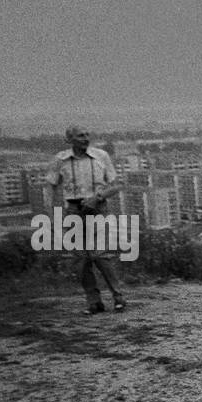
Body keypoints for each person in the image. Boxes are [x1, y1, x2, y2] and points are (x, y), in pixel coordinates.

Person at [44, 125, 125, 314]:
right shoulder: (60, 160)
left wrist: (97, 198)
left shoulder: (101, 156)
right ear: (69, 139)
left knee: (101, 255)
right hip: (73, 210)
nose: (85, 139)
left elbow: (116, 185)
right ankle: (94, 302)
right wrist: (51, 215)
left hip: (98, 208)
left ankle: (119, 297)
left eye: (87, 135)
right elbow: (50, 187)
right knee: (81, 259)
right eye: (80, 136)